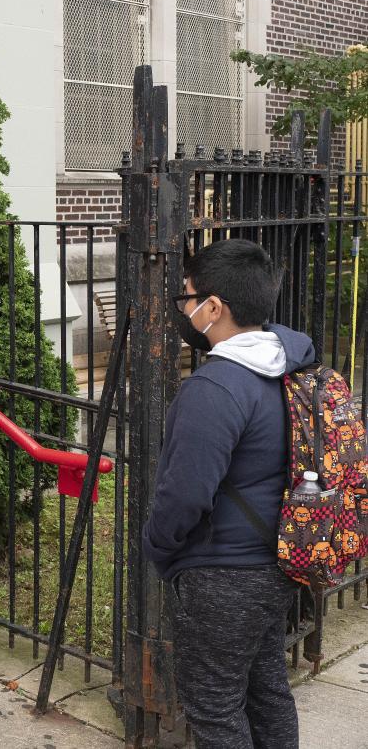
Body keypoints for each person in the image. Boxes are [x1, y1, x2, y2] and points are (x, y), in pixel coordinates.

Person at [143, 238, 309, 749]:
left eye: (187, 297)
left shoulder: (215, 388)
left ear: (214, 307)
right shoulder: (290, 367)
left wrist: (159, 545)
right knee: (266, 691)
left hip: (224, 573)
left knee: (214, 708)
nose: (184, 308)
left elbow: (185, 496)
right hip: (280, 559)